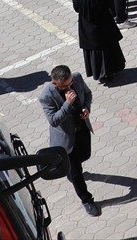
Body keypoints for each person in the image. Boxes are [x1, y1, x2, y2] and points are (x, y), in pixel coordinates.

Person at [38, 65, 101, 217]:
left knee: (85, 155)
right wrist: (67, 103)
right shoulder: (46, 96)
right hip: (66, 138)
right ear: (55, 83)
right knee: (76, 172)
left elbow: (87, 93)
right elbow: (53, 120)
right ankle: (86, 200)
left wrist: (86, 107)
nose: (69, 87)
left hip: (82, 129)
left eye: (70, 83)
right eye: (65, 86)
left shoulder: (77, 77)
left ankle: (72, 171)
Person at [72, 0, 125, 84]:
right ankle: (110, 71)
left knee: (94, 53)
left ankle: (98, 73)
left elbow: (76, 9)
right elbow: (110, 5)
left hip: (87, 28)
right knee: (107, 50)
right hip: (104, 25)